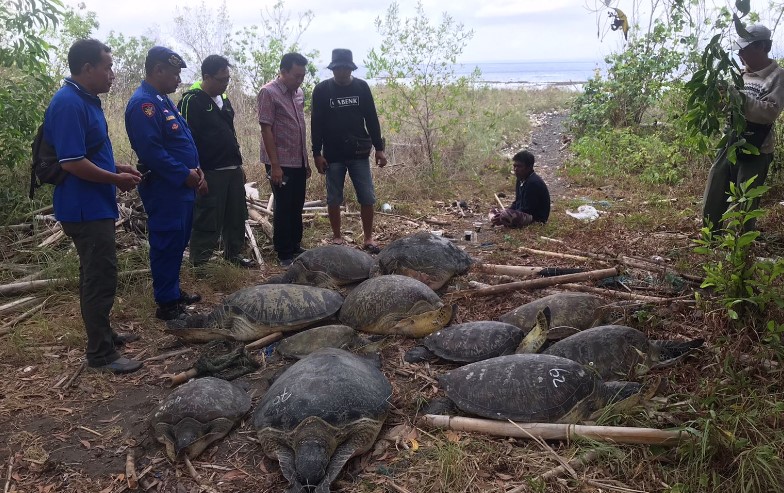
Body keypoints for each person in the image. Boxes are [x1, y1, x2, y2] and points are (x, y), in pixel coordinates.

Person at [45, 39, 143, 373]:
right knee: (99, 278)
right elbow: (72, 163)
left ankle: (104, 334)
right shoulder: (69, 103)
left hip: (94, 204)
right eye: (107, 67)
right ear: (87, 68)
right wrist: (115, 181)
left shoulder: (86, 100)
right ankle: (101, 354)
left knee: (98, 274)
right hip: (83, 208)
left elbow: (87, 153)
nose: (112, 74)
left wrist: (118, 168)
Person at [125, 46, 203, 320]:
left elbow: (181, 142)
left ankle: (172, 290)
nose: (179, 80)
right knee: (167, 240)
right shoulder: (143, 104)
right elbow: (152, 152)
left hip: (181, 185)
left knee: (177, 240)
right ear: (158, 70)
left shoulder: (163, 99)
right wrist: (184, 173)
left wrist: (196, 170)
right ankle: (167, 304)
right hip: (165, 186)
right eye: (174, 73)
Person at [702, 24, 784, 233]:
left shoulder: (778, 77)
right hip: (730, 141)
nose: (740, 53)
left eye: (745, 49)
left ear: (763, 47)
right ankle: (711, 236)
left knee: (745, 199)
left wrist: (737, 97)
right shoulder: (740, 74)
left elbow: (769, 112)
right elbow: (728, 108)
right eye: (739, 49)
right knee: (715, 188)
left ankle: (740, 247)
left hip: (757, 147)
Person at [177, 55, 254, 269]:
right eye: (221, 80)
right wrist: (197, 171)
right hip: (210, 171)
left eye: (228, 79)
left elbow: (230, 132)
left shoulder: (224, 99)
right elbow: (186, 139)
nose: (225, 83)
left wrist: (239, 164)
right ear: (206, 77)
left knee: (236, 215)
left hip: (232, 167)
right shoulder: (191, 100)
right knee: (207, 216)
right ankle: (200, 262)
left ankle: (234, 254)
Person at [311, 48, 387, 252]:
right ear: (333, 69)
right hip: (333, 154)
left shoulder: (361, 88)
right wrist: (316, 153)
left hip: (359, 153)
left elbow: (371, 118)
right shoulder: (321, 90)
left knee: (367, 196)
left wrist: (379, 149)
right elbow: (316, 123)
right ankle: (337, 237)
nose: (342, 73)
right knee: (334, 197)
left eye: (345, 69)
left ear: (351, 69)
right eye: (338, 69)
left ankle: (369, 238)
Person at [257, 52, 311, 266]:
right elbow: (266, 129)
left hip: (297, 159)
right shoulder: (268, 92)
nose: (300, 80)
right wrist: (275, 166)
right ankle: (284, 252)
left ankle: (296, 245)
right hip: (280, 161)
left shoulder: (299, 93)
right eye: (296, 75)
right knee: (284, 205)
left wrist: (305, 161)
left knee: (297, 204)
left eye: (302, 76)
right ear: (284, 71)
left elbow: (299, 127)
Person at [491, 150, 550, 228]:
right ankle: (504, 220)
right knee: (493, 211)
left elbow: (528, 210)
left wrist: (506, 215)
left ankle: (506, 221)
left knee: (505, 215)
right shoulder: (520, 179)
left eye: (519, 166)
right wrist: (506, 212)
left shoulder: (533, 183)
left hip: (536, 219)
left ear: (529, 167)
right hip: (522, 213)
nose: (515, 169)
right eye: (514, 166)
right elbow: (517, 202)